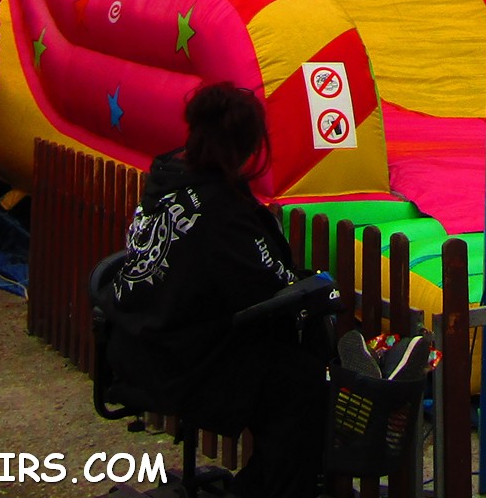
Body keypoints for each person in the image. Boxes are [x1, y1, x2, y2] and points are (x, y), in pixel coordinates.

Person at [103, 83, 325, 498]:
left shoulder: (166, 178)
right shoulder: (222, 210)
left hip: (134, 344)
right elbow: (270, 285)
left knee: (282, 374)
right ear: (247, 146)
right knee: (303, 384)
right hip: (178, 363)